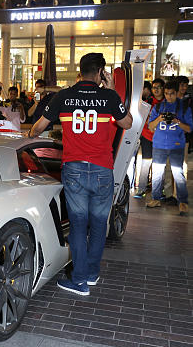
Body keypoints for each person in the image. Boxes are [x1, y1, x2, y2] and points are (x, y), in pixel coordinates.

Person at [28, 53, 132, 296]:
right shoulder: (108, 96)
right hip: (102, 169)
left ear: (81, 71)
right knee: (98, 223)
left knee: (77, 224)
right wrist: (112, 89)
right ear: (100, 73)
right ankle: (91, 274)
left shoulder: (64, 95)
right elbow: (127, 123)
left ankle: (79, 280)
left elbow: (38, 127)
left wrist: (32, 133)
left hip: (74, 169)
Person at [146, 81, 192, 215]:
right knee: (157, 173)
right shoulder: (158, 107)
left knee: (178, 174)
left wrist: (177, 121)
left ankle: (182, 201)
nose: (168, 96)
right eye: (166, 93)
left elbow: (189, 128)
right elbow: (150, 126)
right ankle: (156, 198)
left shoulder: (183, 108)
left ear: (177, 93)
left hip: (176, 145)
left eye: (171, 94)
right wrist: (159, 119)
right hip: (159, 145)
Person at [134, 78, 164, 198]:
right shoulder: (148, 102)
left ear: (163, 88)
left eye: (158, 87)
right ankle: (141, 189)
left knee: (159, 165)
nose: (156, 90)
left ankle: (159, 191)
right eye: (154, 87)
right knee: (146, 163)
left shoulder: (167, 102)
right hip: (147, 136)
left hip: (162, 138)